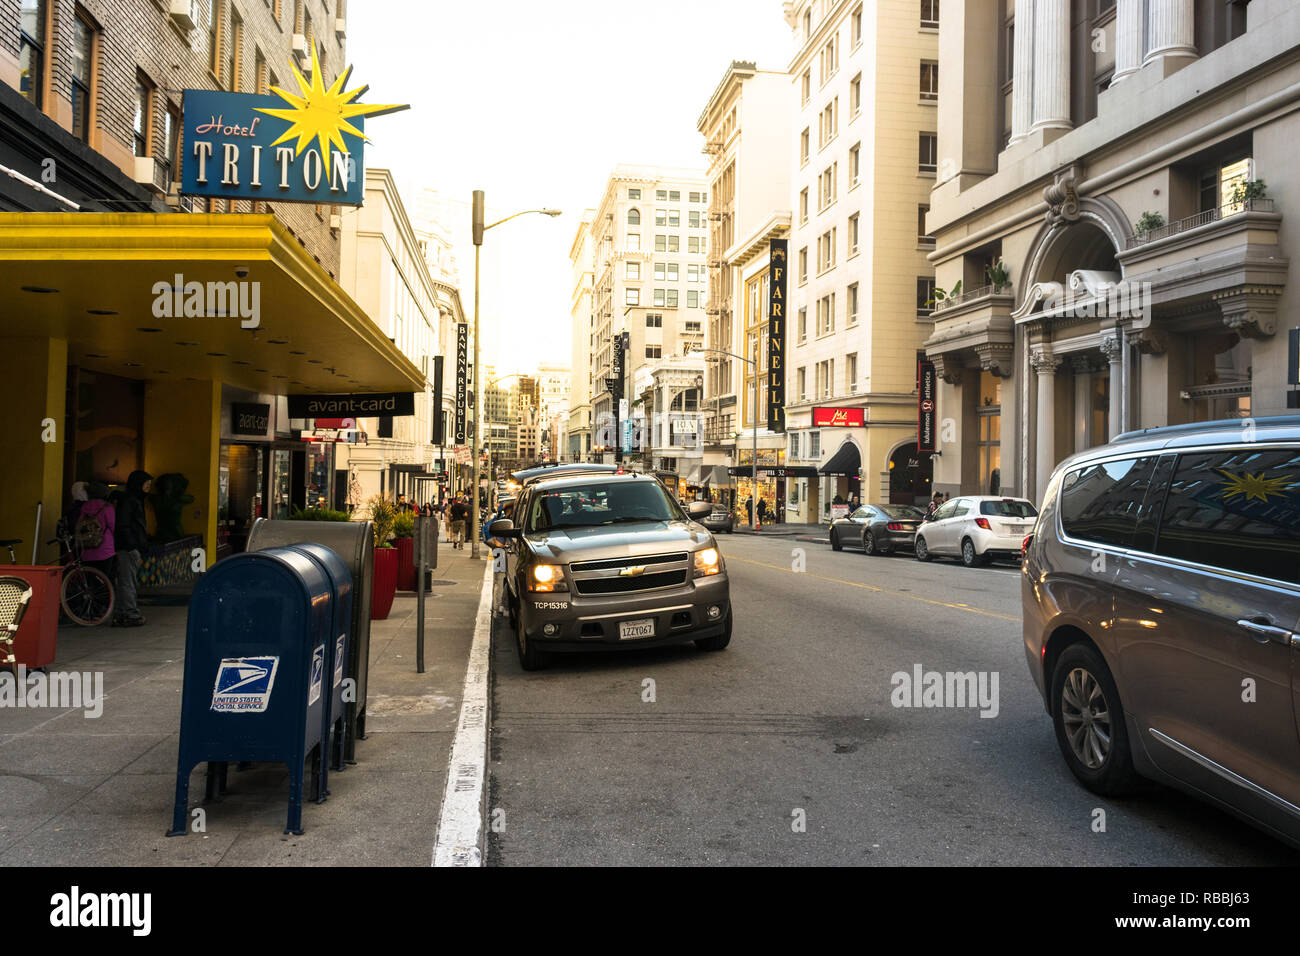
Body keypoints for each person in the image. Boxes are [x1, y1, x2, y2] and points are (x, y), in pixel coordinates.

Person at [113, 469, 152, 627]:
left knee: (127, 580)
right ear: (138, 484)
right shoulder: (130, 500)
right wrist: (132, 546)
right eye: (146, 484)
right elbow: (124, 525)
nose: (149, 487)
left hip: (129, 547)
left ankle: (123, 612)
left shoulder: (134, 499)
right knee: (127, 581)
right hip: (127, 548)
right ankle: (130, 613)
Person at [77, 483, 117, 585]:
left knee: (91, 580)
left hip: (87, 549)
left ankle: (92, 599)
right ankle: (106, 600)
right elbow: (113, 527)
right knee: (105, 580)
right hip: (105, 550)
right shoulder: (107, 508)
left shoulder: (84, 507)